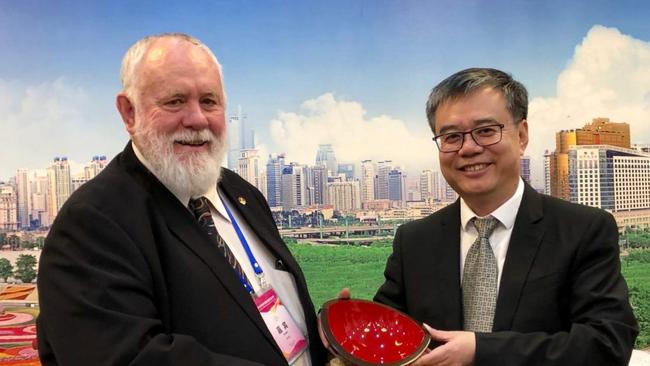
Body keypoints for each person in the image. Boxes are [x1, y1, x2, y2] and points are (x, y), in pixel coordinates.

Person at [37, 33, 327, 366]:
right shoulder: (93, 223)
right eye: (175, 101)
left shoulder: (242, 193)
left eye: (209, 101)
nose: (197, 119)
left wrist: (320, 339)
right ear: (129, 112)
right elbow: (126, 358)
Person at [372, 68, 638, 365]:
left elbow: (607, 343)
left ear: (522, 135)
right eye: (451, 136)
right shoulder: (415, 240)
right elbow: (385, 330)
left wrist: (481, 351)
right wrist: (342, 320)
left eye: (486, 131)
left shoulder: (583, 229)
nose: (469, 148)